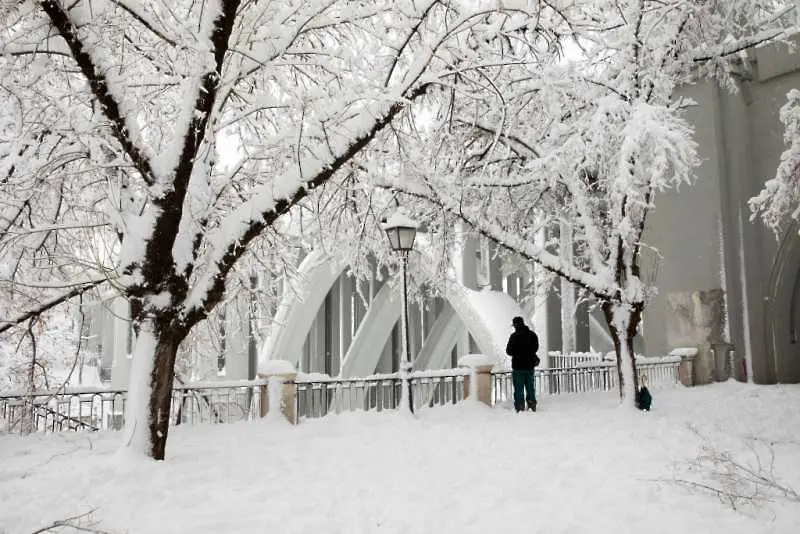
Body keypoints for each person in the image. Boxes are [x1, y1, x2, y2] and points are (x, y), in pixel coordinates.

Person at [505, 316, 540, 412]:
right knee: (530, 387)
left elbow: (508, 351)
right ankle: (532, 404)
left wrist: (518, 353)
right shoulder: (532, 335)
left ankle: (520, 406)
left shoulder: (514, 336)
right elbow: (536, 348)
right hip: (530, 366)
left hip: (518, 367)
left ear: (515, 325)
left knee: (519, 389)